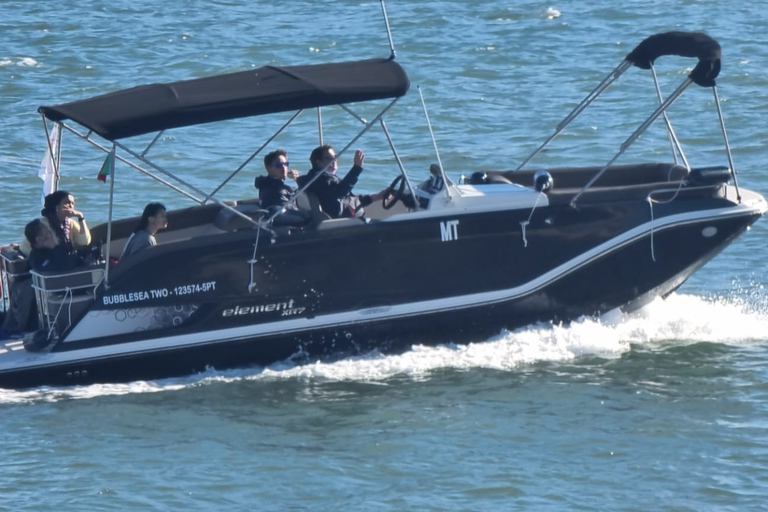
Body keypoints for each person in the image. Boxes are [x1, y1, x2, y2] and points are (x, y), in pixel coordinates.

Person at [297, 145, 387, 219]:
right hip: (343, 224)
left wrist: (378, 196)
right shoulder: (319, 179)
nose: (334, 161)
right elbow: (341, 191)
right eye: (330, 158)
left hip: (351, 218)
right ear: (318, 162)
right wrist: (356, 168)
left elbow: (347, 197)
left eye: (335, 157)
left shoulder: (327, 181)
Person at [19, 190, 91, 257]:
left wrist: (81, 217)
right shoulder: (43, 225)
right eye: (67, 203)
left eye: (73, 203)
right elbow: (54, 247)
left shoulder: (70, 223)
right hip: (37, 261)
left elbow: (85, 241)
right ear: (57, 207)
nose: (71, 206)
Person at [254, 149, 310, 226]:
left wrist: (297, 179)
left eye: (286, 164)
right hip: (281, 219)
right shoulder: (273, 188)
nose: (284, 168)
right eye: (279, 165)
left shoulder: (268, 183)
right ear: (268, 168)